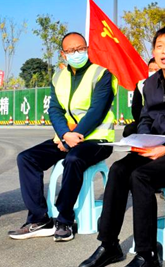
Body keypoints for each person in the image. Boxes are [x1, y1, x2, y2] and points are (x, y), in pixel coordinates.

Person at [78, 27, 165, 267]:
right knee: (119, 169)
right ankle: (109, 245)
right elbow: (146, 119)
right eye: (159, 46)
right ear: (153, 52)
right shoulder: (150, 84)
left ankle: (147, 254)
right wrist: (143, 140)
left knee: (141, 176)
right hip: (155, 146)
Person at [8, 32, 116, 242]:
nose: (76, 53)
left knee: (73, 159)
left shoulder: (101, 74)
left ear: (87, 49)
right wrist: (65, 135)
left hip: (98, 140)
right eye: (71, 50)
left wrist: (73, 137)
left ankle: (64, 220)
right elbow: (55, 110)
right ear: (63, 54)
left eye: (80, 49)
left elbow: (96, 112)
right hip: (66, 137)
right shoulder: (58, 77)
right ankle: (39, 219)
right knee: (27, 158)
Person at [122, 58, 159, 137]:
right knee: (129, 130)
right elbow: (136, 109)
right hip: (145, 120)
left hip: (162, 122)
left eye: (156, 69)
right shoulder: (141, 85)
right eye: (150, 70)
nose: (153, 72)